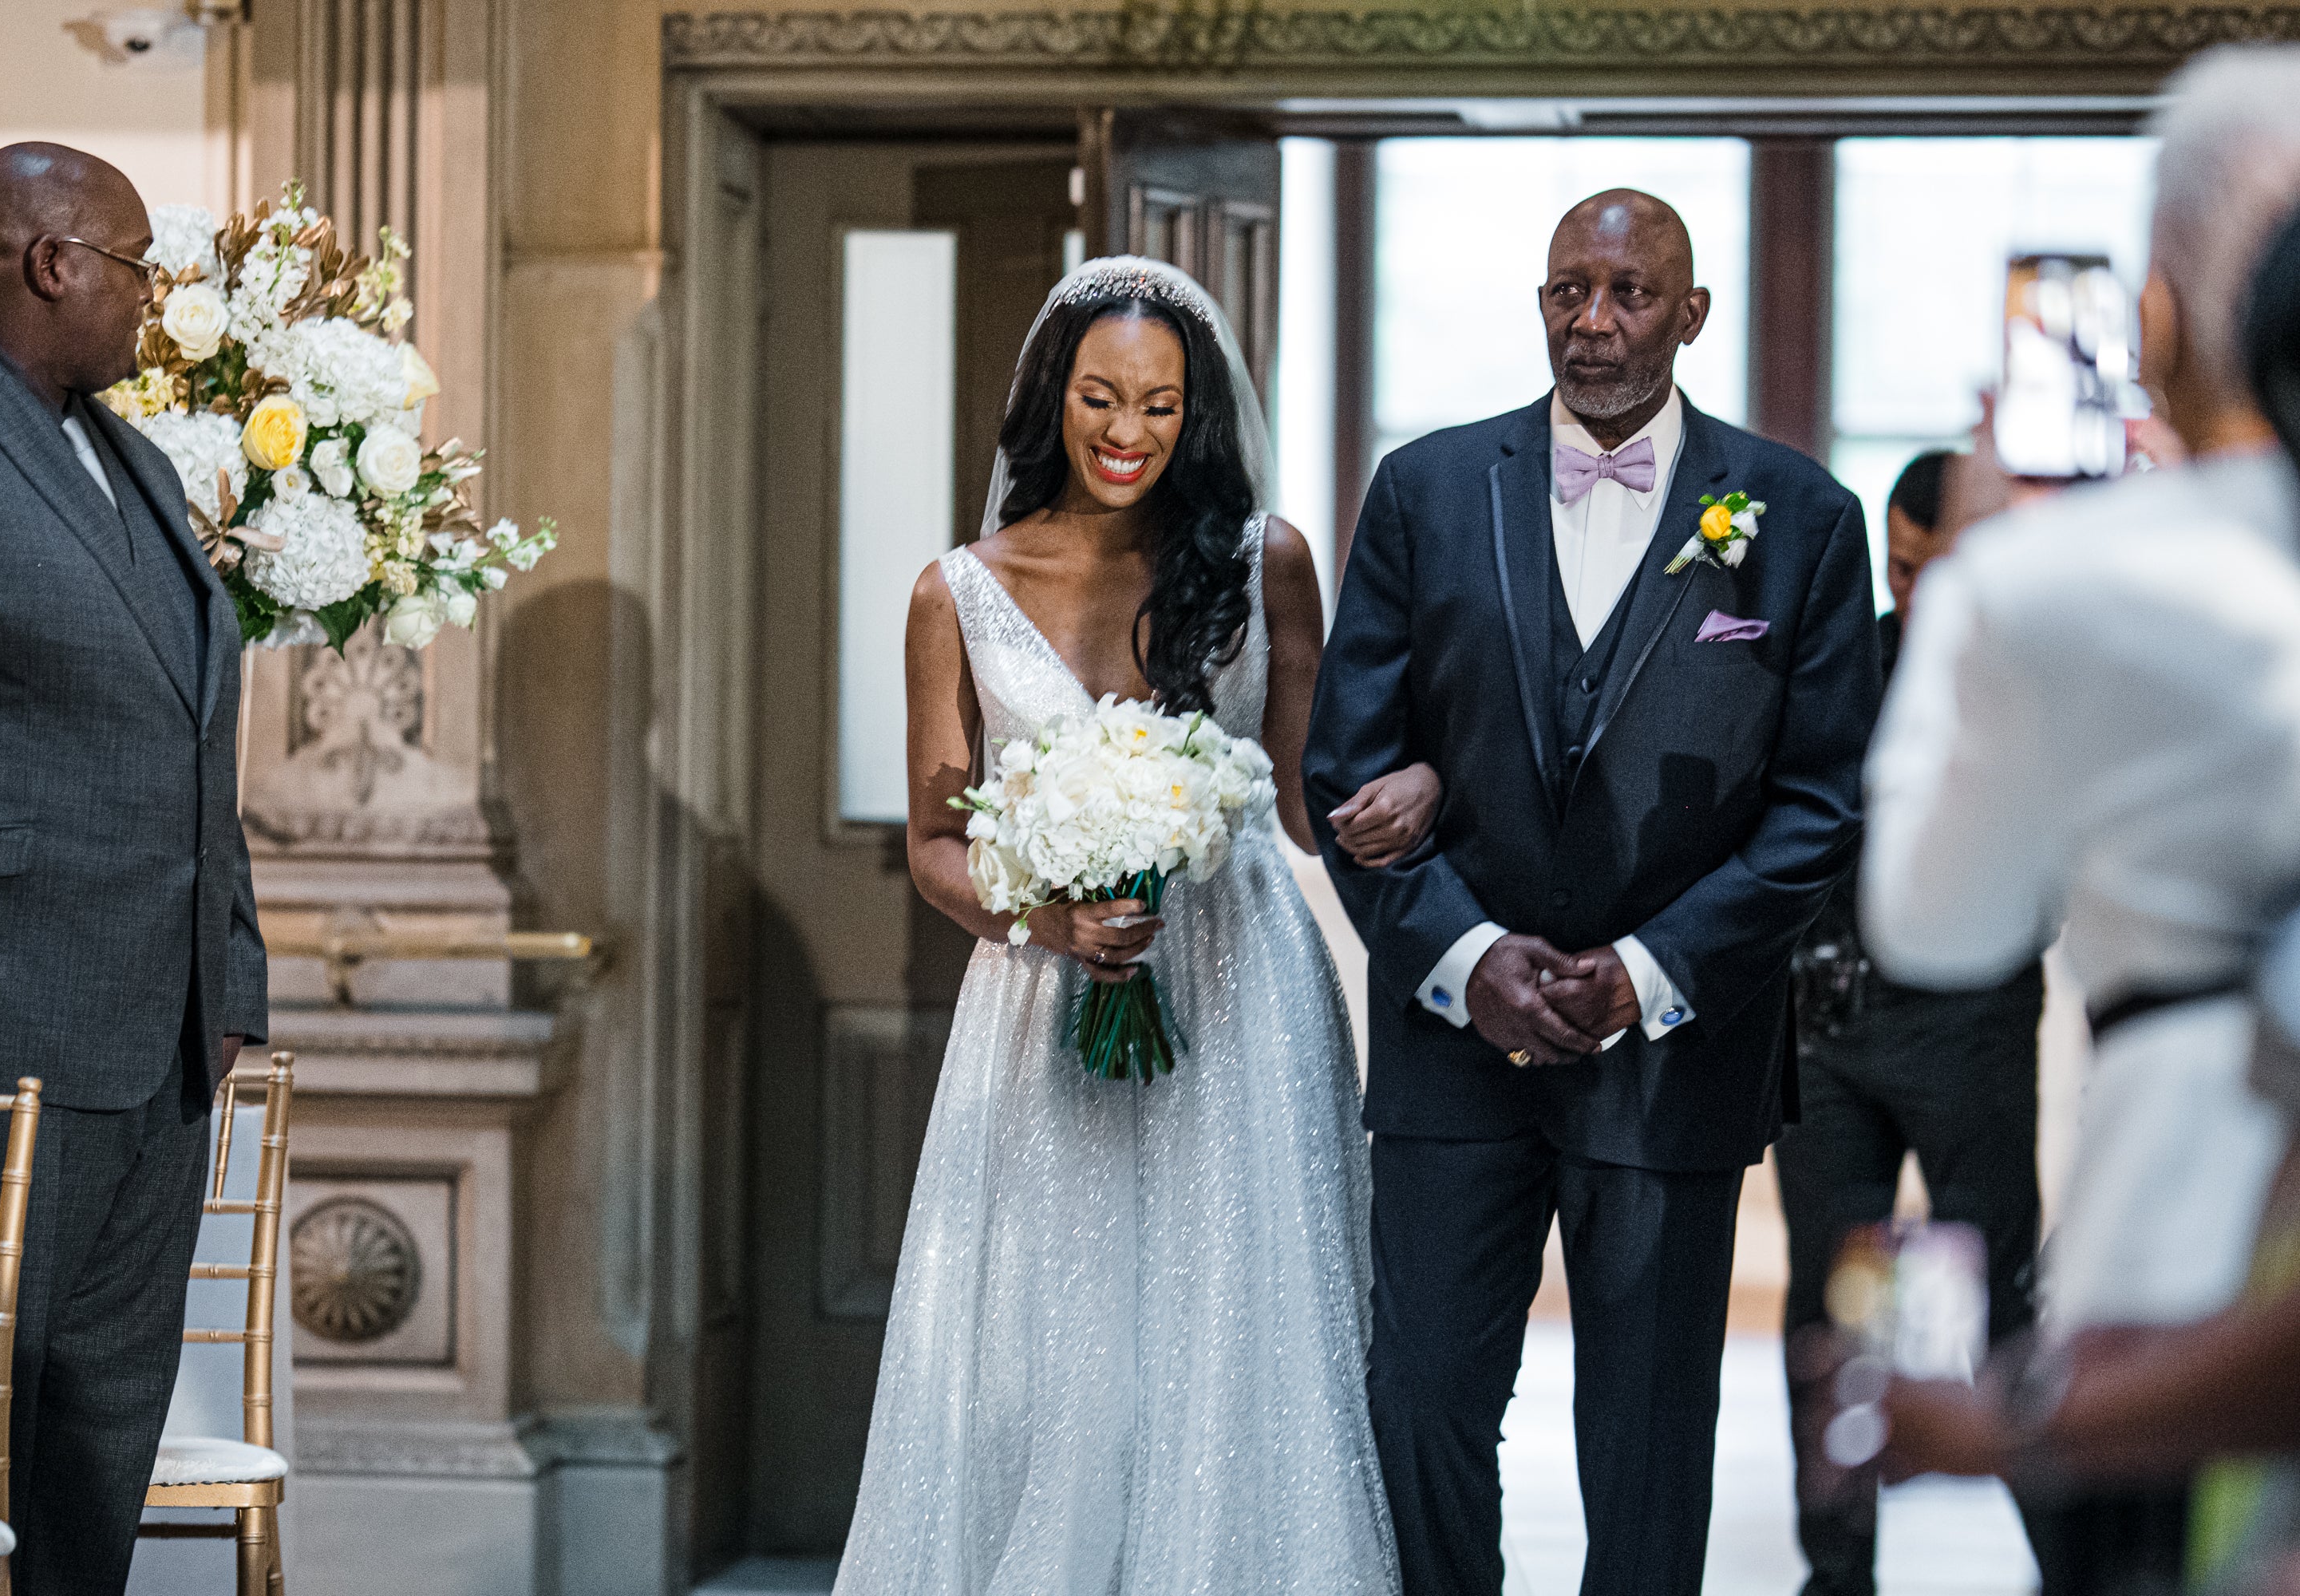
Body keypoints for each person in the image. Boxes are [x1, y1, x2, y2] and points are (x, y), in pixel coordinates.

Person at [1303, 189, 1883, 1596]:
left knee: (1647, 1442)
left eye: (1630, 293)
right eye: (1570, 290)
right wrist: (1467, 955)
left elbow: (1824, 803)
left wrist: (1649, 972)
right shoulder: (1430, 490)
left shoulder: (1801, 520)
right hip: (1455, 1050)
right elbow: (1346, 769)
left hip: (1672, 1056)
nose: (1595, 321)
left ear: (1690, 313)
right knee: (1421, 1404)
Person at [832, 256, 1407, 1593]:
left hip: (1243, 988)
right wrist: (1046, 923)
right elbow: (934, 843)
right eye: (1101, 398)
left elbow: (1314, 803)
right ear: (1055, 398)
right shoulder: (956, 591)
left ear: (1197, 412)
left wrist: (1423, 783)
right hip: (1041, 999)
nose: (1127, 433)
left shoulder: (1266, 563)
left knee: (1240, 1335)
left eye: (1159, 405)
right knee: (1049, 1351)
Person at [1863, 45, 2300, 1592]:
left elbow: (1936, 914)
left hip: (2182, 1247)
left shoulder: (2077, 579)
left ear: (2162, 312)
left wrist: (1981, 575)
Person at [0, 144, 268, 1594]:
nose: (150, 301)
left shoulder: (133, 451)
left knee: (96, 1447)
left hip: (158, 1035)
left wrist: (229, 975)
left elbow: (194, 733)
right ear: (54, 263)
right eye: (135, 267)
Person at [1774, 448, 2053, 1596]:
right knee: (1834, 1298)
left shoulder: (2034, 676)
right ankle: (1838, 1572)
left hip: (1971, 1025)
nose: (1918, 595)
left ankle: (2069, 1549)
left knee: (1997, 1289)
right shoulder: (1854, 664)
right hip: (1830, 1028)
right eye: (1900, 568)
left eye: (1945, 572)